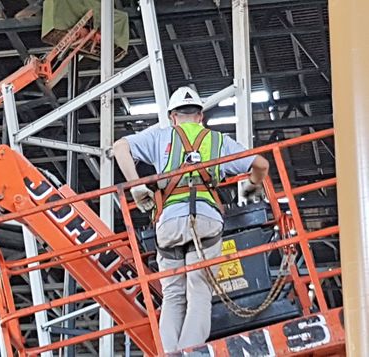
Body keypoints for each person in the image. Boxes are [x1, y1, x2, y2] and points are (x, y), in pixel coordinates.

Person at [113, 86, 269, 352]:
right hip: (207, 222)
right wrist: (251, 187)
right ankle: (189, 352)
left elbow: (120, 147)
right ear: (200, 117)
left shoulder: (160, 136)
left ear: (173, 117)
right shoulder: (219, 141)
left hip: (169, 224)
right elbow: (261, 164)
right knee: (199, 293)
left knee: (173, 296)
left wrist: (137, 185)